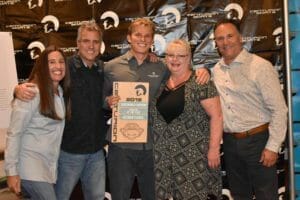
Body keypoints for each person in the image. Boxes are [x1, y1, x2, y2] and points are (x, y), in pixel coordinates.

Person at [104, 18, 210, 200]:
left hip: (154, 145)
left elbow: (184, 73)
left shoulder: (162, 66)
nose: (142, 39)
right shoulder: (111, 67)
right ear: (129, 37)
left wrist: (203, 70)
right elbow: (99, 99)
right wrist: (108, 101)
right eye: (138, 34)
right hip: (121, 146)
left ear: (152, 40)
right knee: (119, 196)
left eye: (147, 36)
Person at [14, 21, 107, 200]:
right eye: (86, 41)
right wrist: (17, 89)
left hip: (96, 152)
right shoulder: (64, 67)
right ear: (78, 43)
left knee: (96, 197)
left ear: (100, 45)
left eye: (95, 42)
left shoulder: (103, 69)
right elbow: (37, 83)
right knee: (59, 197)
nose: (91, 46)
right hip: (69, 152)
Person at [212, 18, 288, 200]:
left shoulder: (260, 67)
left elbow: (279, 109)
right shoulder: (216, 70)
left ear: (241, 38)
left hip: (258, 141)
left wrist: (272, 146)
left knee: (266, 195)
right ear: (216, 43)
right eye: (220, 38)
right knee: (239, 195)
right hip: (230, 143)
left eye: (230, 36)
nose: (225, 42)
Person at [149, 39, 223, 199]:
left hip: (193, 157)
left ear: (189, 58)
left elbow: (216, 116)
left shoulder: (201, 83)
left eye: (180, 56)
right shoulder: (160, 83)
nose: (175, 60)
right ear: (165, 58)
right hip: (163, 157)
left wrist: (214, 149)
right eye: (170, 55)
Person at [5, 45, 71, 200]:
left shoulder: (60, 92)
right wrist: (11, 172)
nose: (58, 66)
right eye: (52, 62)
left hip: (48, 167)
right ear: (42, 66)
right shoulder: (31, 92)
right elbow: (14, 133)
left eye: (61, 62)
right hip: (30, 167)